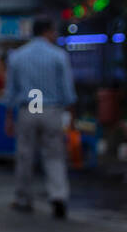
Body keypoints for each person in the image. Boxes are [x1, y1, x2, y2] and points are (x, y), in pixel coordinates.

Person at [5, 17, 77, 219]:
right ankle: (58, 196)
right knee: (54, 155)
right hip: (51, 110)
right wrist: (71, 114)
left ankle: (23, 198)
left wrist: (9, 116)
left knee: (25, 155)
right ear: (48, 31)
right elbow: (67, 90)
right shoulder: (58, 56)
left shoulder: (18, 56)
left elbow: (11, 90)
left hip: (29, 109)